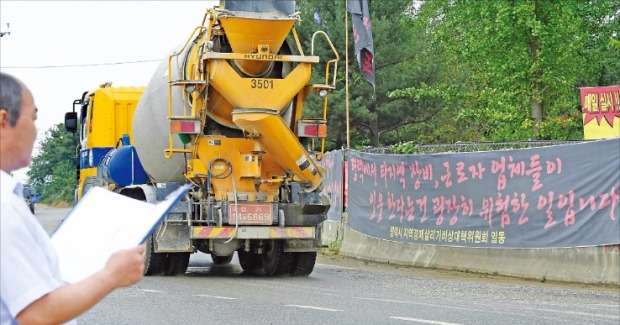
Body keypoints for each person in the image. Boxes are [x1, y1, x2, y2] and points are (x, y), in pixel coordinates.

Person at [0, 72, 145, 324]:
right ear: (3, 120)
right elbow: (36, 314)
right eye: (33, 118)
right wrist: (111, 275)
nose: (35, 131)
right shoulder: (4, 207)